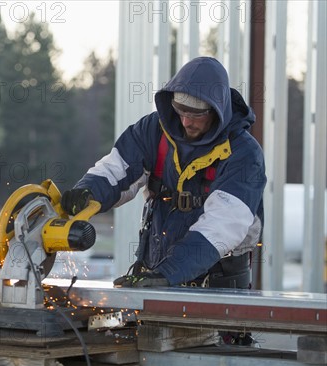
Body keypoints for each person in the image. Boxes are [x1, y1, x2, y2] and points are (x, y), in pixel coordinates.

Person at [61, 57, 266, 289]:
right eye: (181, 110)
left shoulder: (244, 155)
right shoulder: (154, 130)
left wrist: (169, 273)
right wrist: (87, 192)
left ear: (217, 109)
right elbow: (116, 170)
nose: (187, 121)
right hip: (155, 271)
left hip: (218, 284)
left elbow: (221, 228)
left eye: (197, 114)